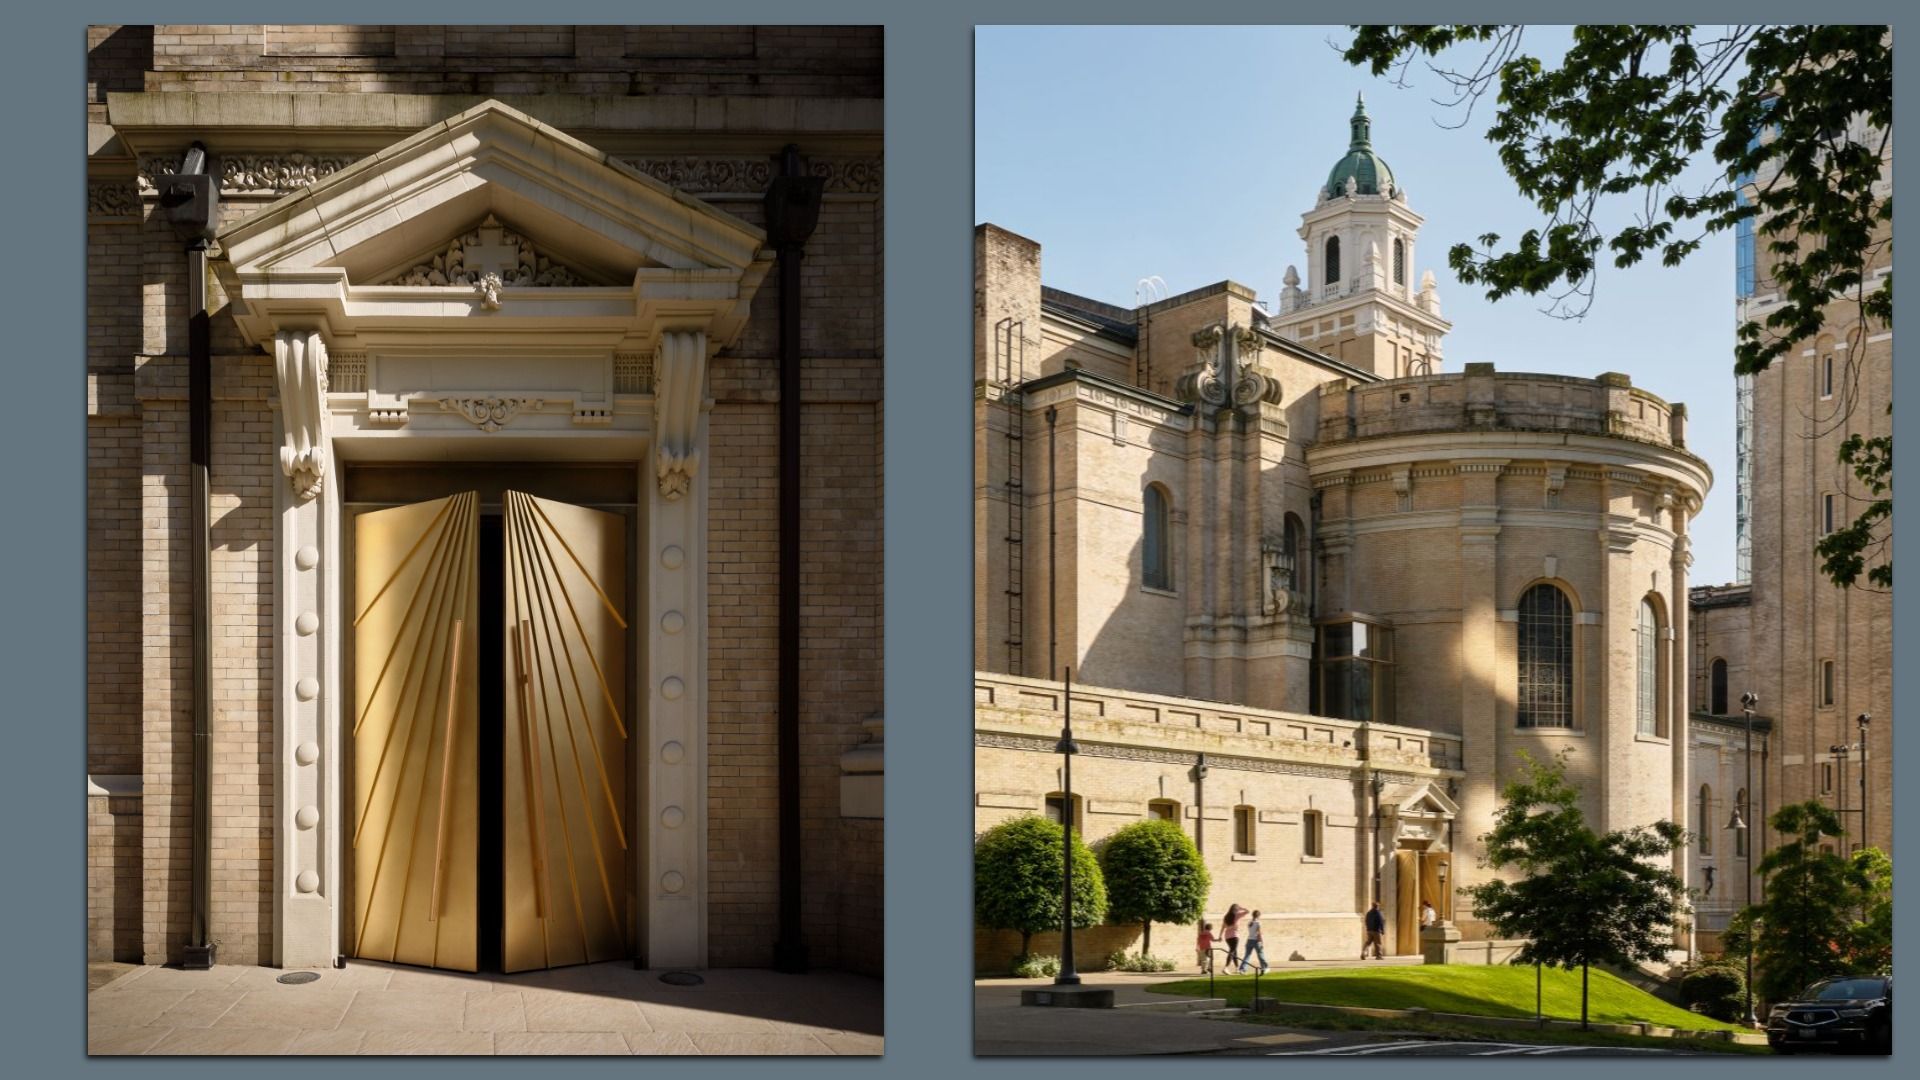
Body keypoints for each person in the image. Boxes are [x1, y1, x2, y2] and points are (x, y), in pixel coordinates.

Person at [1239, 909, 1267, 973]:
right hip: (1256, 940)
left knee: (1247, 955)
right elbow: (1259, 933)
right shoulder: (1258, 923)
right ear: (1258, 916)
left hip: (1249, 940)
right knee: (1260, 954)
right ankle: (1264, 967)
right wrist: (1261, 942)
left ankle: (1242, 969)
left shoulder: (1249, 923)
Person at [1222, 904, 1245, 970]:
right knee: (1232, 951)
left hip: (1227, 936)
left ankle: (1237, 967)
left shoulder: (1226, 916)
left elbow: (1223, 927)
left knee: (1234, 951)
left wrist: (1220, 935)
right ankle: (1226, 967)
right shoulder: (1237, 915)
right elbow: (1247, 911)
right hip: (1234, 936)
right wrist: (1242, 908)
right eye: (1237, 909)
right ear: (1236, 909)